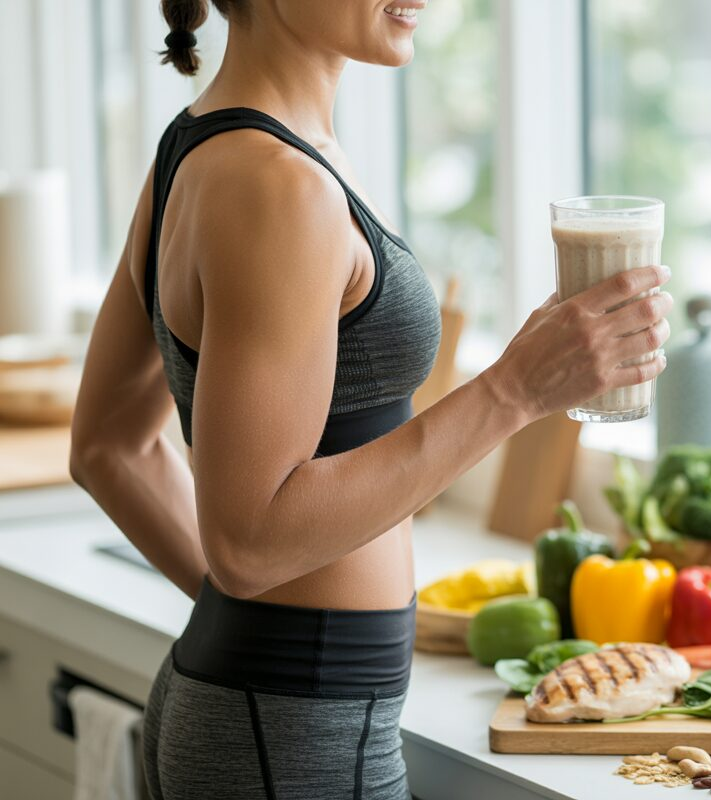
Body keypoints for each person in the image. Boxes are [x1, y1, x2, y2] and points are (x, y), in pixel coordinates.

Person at [68, 1, 672, 797]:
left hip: (258, 709)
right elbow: (248, 543)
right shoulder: (277, 183)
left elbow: (110, 446)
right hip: (290, 739)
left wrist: (253, 622)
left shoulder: (209, 143)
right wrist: (514, 389)